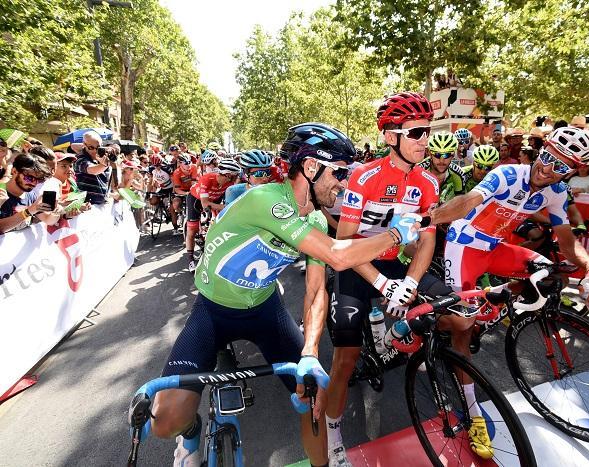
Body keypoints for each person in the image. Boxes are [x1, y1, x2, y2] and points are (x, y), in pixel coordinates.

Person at [151, 122, 422, 467]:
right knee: (165, 421)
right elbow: (339, 254)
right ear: (311, 168)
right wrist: (394, 236)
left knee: (313, 397)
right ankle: (189, 434)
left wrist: (309, 351)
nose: (344, 183)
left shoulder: (319, 222)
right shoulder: (267, 200)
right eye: (339, 173)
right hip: (212, 312)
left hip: (265, 310)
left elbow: (315, 291)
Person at [427, 128, 589, 452]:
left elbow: (566, 243)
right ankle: (472, 411)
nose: (549, 168)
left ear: (571, 171)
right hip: (464, 246)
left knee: (549, 272)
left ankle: (496, 301)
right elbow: (469, 200)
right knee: (461, 327)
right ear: (542, 150)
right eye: (549, 156)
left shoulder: (555, 194)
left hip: (496, 249)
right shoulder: (508, 174)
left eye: (561, 166)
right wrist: (432, 217)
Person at [325, 92, 444, 465]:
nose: (425, 140)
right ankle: (331, 435)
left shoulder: (428, 182)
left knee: (455, 314)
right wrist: (382, 285)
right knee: (345, 360)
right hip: (358, 267)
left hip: (394, 263)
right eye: (417, 132)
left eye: (428, 131)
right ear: (391, 136)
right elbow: (344, 242)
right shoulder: (364, 176)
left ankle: (397, 337)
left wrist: (408, 282)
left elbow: (427, 240)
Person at [184, 159, 240, 273]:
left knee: (222, 223)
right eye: (235, 176)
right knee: (192, 230)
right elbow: (205, 204)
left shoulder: (230, 182)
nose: (236, 179)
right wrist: (227, 206)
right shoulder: (207, 179)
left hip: (215, 199)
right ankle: (190, 260)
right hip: (196, 199)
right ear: (228, 175)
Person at [0, 152, 57, 233]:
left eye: (39, 180)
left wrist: (56, 213)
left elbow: (48, 220)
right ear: (14, 171)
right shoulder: (1, 192)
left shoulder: (31, 195)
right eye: (29, 178)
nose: (34, 183)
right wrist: (29, 211)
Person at [74, 131, 112, 205]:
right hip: (88, 205)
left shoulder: (102, 157)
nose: (95, 150)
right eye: (91, 147)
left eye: (98, 147)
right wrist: (104, 165)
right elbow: (92, 170)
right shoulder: (80, 159)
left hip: (103, 204)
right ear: (84, 144)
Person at [171, 153, 199, 233]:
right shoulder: (176, 173)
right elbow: (177, 190)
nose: (189, 164)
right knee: (175, 204)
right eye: (186, 163)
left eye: (189, 162)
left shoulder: (193, 167)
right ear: (180, 163)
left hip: (192, 189)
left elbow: (193, 183)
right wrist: (186, 193)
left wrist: (191, 192)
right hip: (182, 191)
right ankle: (180, 213)